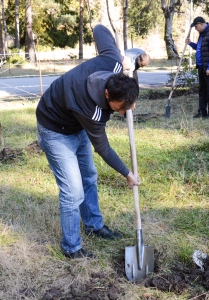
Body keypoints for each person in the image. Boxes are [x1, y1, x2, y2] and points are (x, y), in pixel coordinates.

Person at [36, 24, 140, 259]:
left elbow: (100, 29)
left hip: (75, 125)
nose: (128, 111)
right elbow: (102, 147)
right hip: (55, 129)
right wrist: (127, 173)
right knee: (73, 191)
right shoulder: (89, 110)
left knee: (89, 176)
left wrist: (122, 57)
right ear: (107, 96)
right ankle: (72, 247)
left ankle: (93, 225)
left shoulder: (113, 64)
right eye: (123, 107)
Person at [186, 16, 209, 119]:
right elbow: (201, 48)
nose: (196, 29)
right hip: (202, 66)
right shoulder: (202, 34)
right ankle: (202, 111)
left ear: (202, 24)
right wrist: (191, 44)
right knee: (202, 90)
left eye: (196, 27)